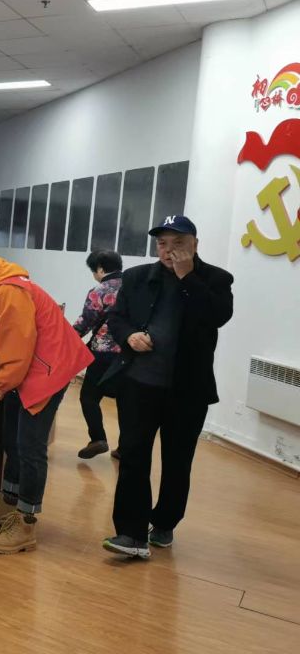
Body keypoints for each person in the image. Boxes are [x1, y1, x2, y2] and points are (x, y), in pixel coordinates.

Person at [0, 252, 92, 554]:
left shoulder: (8, 290)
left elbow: (18, 343)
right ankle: (8, 501)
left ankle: (26, 521)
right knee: (11, 438)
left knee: (30, 446)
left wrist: (0, 384)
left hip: (47, 370)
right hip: (27, 369)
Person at [102, 216, 233, 559]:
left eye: (178, 243)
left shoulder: (216, 279)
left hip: (187, 391)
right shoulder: (135, 277)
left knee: (177, 462)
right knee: (133, 456)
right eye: (162, 243)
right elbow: (116, 318)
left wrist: (187, 276)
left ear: (195, 245)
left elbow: (217, 315)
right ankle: (131, 533)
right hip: (139, 384)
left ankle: (164, 522)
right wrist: (129, 336)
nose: (169, 250)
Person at [72, 250, 124, 460]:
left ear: (100, 269)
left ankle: (98, 438)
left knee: (89, 397)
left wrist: (67, 338)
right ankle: (125, 448)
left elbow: (86, 322)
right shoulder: (134, 287)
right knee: (126, 402)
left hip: (103, 352)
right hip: (130, 354)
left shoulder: (100, 290)